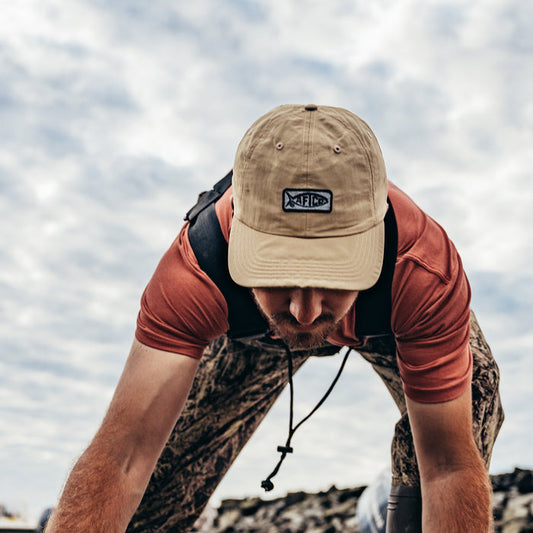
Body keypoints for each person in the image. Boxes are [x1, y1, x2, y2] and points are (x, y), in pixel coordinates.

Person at [45, 104, 504, 533]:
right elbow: (122, 455)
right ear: (241, 240)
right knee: (150, 500)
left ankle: (390, 508)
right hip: (252, 335)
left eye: (334, 276)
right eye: (277, 275)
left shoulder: (421, 269)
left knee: (474, 393)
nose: (305, 312)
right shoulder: (197, 269)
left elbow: (449, 466)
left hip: (389, 322)